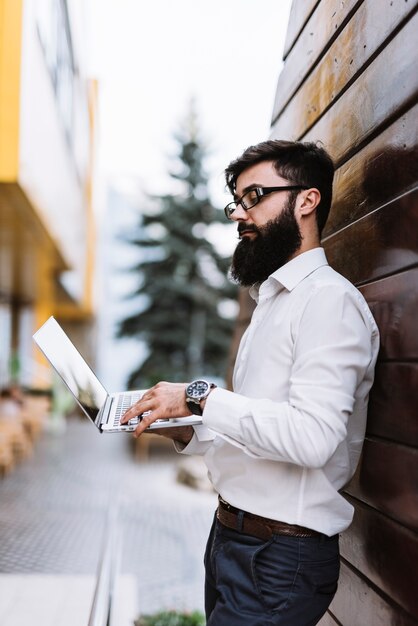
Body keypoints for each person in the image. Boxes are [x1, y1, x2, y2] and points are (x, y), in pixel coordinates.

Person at [121, 140, 379, 625]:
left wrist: (198, 397)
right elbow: (261, 429)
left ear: (307, 200)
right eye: (238, 200)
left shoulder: (328, 302)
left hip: (278, 558)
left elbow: (311, 438)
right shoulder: (274, 301)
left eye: (255, 196)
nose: (241, 213)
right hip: (234, 541)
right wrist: (184, 427)